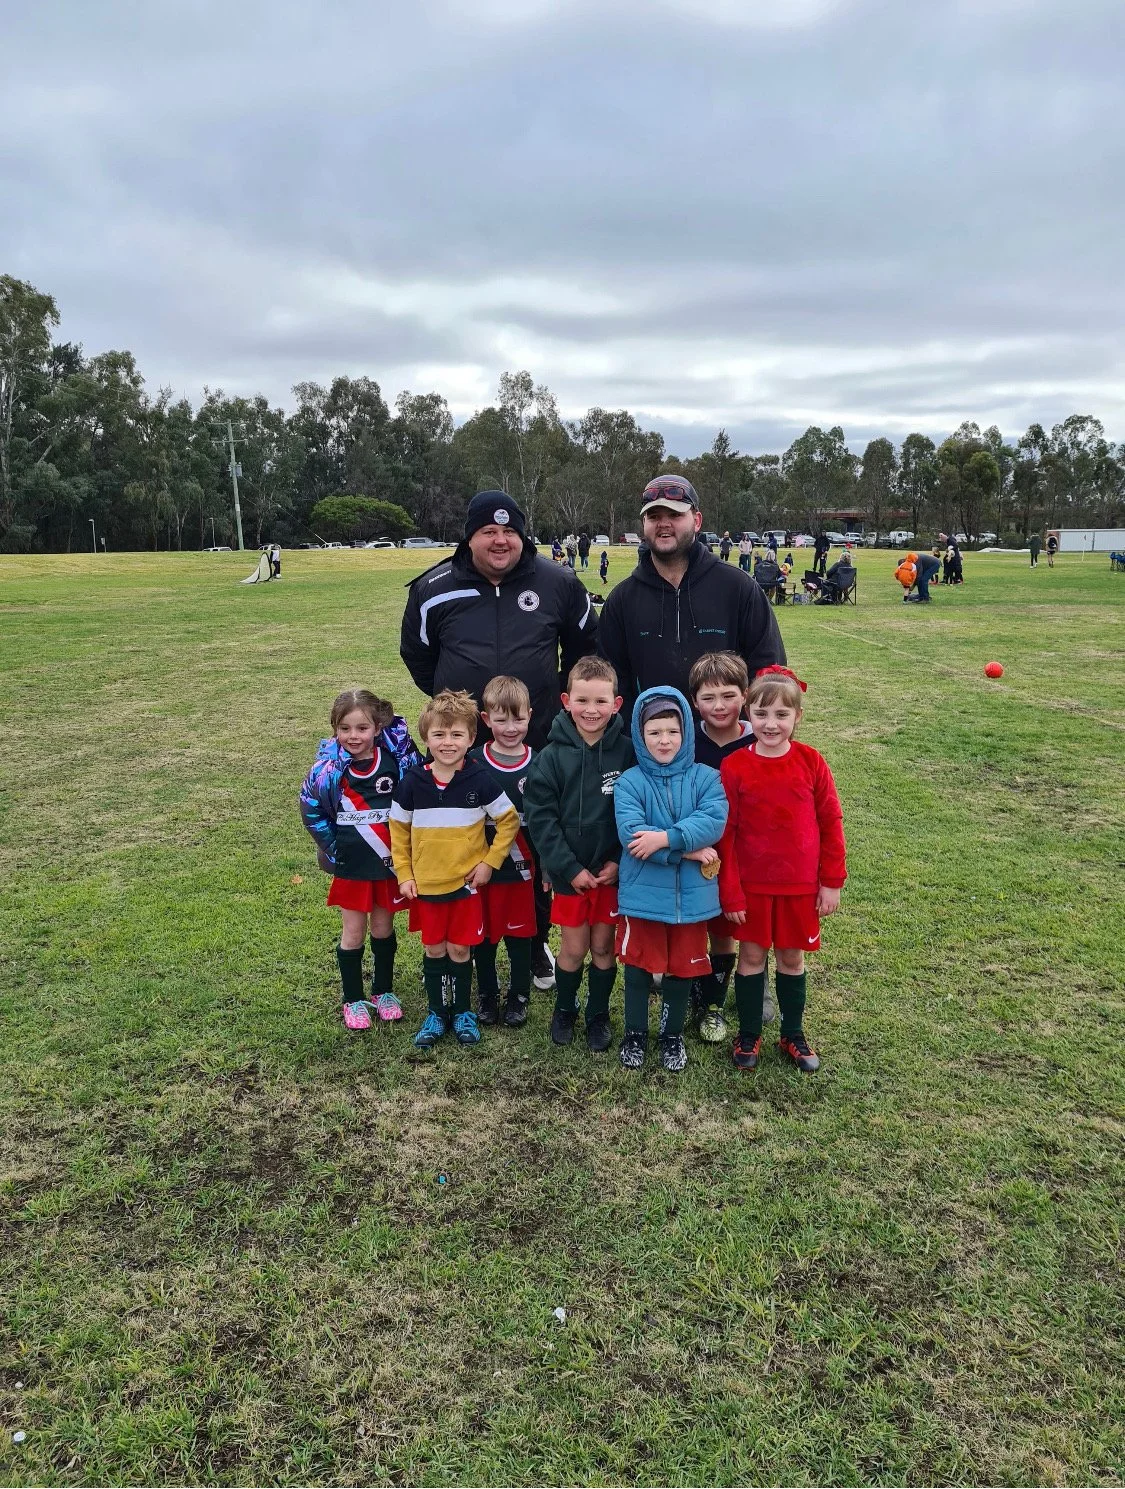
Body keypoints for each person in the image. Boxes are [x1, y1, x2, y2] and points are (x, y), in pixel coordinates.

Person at [400, 490, 599, 989]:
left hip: (538, 747)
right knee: (465, 844)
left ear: (522, 535)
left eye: (510, 531)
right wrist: (463, 714)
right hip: (461, 749)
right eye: (489, 530)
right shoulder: (433, 587)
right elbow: (418, 657)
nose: (500, 539)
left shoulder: (559, 582)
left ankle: (533, 946)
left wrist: (551, 704)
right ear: (469, 536)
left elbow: (583, 650)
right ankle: (471, 939)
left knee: (535, 848)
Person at [718, 666, 846, 1074]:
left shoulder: (811, 762)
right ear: (747, 714)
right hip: (753, 887)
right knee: (751, 956)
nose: (770, 724)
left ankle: (793, 1032)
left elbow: (831, 822)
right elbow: (727, 834)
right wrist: (732, 891)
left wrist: (831, 882)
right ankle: (750, 1032)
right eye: (761, 714)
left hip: (800, 887)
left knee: (792, 959)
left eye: (781, 715)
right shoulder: (735, 766)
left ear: (798, 717)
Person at [389, 689, 521, 1049]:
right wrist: (405, 874)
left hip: (466, 886)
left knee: (460, 951)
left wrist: (489, 863)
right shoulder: (413, 782)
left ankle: (461, 1011)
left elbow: (508, 821)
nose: (448, 742)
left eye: (456, 734)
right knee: (435, 949)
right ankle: (437, 1011)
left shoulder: (479, 780)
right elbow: (398, 833)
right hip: (427, 886)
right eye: (439, 734)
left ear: (471, 737)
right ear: (426, 738)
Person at [597, 474, 785, 719]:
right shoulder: (622, 600)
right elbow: (610, 682)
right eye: (654, 516)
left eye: (675, 515)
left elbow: (768, 672)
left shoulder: (739, 588)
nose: (664, 524)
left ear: (696, 520)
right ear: (644, 523)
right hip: (652, 748)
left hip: (727, 749)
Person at [613, 689, 728, 1071]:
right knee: (639, 965)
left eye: (673, 732)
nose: (664, 740)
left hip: (692, 899)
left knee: (683, 966)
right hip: (642, 894)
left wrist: (666, 838)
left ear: (686, 734)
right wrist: (687, 851)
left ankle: (671, 1034)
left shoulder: (706, 778)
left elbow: (712, 821)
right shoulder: (630, 781)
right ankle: (635, 1033)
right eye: (654, 732)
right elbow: (632, 835)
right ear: (640, 736)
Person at [524, 656, 634, 1052]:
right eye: (583, 701)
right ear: (566, 701)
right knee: (573, 948)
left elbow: (639, 811)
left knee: (603, 947)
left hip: (610, 875)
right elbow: (541, 821)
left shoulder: (628, 752)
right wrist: (567, 868)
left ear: (617, 704)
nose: (592, 710)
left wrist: (620, 860)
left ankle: (598, 1013)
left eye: (601, 702)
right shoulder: (550, 758)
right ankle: (565, 1008)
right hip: (571, 876)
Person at [299, 689, 422, 1030]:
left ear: (378, 727)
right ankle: (352, 998)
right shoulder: (328, 769)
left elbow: (414, 802)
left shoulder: (396, 762)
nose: (354, 736)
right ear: (335, 730)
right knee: (353, 932)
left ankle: (384, 992)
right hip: (351, 867)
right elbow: (310, 807)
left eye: (362, 728)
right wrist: (334, 849)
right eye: (345, 728)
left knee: (383, 928)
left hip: (387, 865)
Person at [687, 651, 766, 1039]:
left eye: (729, 695)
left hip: (743, 854)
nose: (719, 706)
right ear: (694, 700)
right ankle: (692, 990)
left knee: (727, 927)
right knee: (688, 925)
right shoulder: (685, 740)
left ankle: (715, 1002)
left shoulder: (760, 739)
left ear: (746, 695)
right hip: (693, 852)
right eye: (708, 697)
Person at [469, 676, 539, 1029]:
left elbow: (545, 820)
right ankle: (487, 992)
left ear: (530, 715)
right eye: (501, 720)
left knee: (520, 934)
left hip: (523, 870)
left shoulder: (538, 763)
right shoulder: (472, 762)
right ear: (485, 720)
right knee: (484, 934)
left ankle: (519, 994)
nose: (510, 728)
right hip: (481, 868)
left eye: (518, 719)